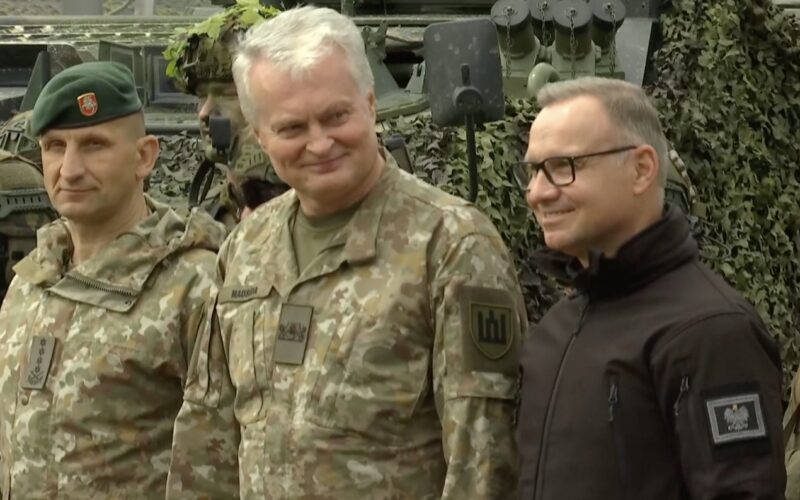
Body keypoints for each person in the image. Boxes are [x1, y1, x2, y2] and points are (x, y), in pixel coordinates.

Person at [169, 5, 527, 498]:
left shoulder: (451, 246)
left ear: (370, 105)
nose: (320, 144)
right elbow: (208, 432)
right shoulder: (246, 248)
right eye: (292, 128)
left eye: (336, 116)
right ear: (260, 133)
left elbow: (483, 462)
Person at [516, 76, 785, 499]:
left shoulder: (709, 332)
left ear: (642, 169)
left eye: (563, 167)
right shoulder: (556, 329)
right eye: (533, 170)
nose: (537, 193)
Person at [0, 61, 236, 498]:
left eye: (94, 145)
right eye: (55, 146)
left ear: (144, 156)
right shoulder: (30, 281)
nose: (69, 169)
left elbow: (221, 465)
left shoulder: (195, 288)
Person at [164, 0, 288, 229]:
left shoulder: (311, 208)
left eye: (227, 94)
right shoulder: (206, 214)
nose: (205, 112)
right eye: (201, 95)